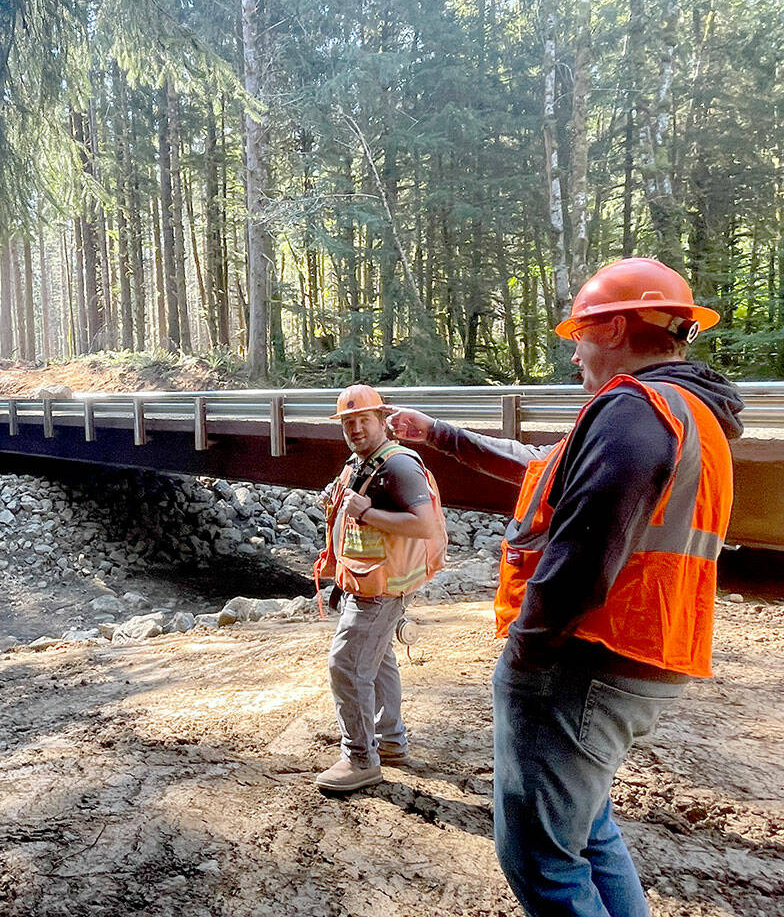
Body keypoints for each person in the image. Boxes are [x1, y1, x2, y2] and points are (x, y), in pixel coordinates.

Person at [385, 258, 742, 916]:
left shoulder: (635, 410)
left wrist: (526, 653)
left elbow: (583, 554)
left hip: (583, 661)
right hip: (636, 655)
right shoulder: (679, 412)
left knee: (542, 861)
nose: (574, 351)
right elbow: (537, 467)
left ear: (610, 328)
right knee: (588, 827)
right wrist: (435, 433)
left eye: (578, 333)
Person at [312, 384, 447, 792]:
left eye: (363, 420)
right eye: (348, 423)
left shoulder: (397, 466)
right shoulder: (362, 463)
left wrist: (366, 510)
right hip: (371, 583)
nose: (355, 428)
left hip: (381, 591)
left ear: (381, 420)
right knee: (380, 659)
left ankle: (360, 759)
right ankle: (389, 742)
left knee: (347, 666)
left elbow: (424, 525)